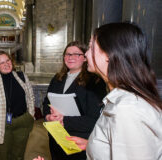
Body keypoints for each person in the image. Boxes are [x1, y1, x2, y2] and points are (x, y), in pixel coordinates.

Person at [66, 22, 162, 159]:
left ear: (108, 54)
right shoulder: (122, 99)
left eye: (90, 47)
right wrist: (92, 145)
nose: (86, 54)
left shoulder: (127, 109)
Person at [42, 41, 107, 160]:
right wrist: (48, 116)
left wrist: (64, 120)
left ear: (85, 58)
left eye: (76, 54)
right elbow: (46, 103)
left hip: (79, 141)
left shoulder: (94, 82)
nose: (70, 57)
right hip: (56, 137)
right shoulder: (57, 79)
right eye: (67, 54)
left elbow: (94, 119)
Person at [0, 51, 35, 160]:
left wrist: (30, 115)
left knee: (19, 156)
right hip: (1, 124)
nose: (6, 64)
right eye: (1, 63)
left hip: (22, 122)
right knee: (2, 156)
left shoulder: (22, 76)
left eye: (8, 60)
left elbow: (31, 98)